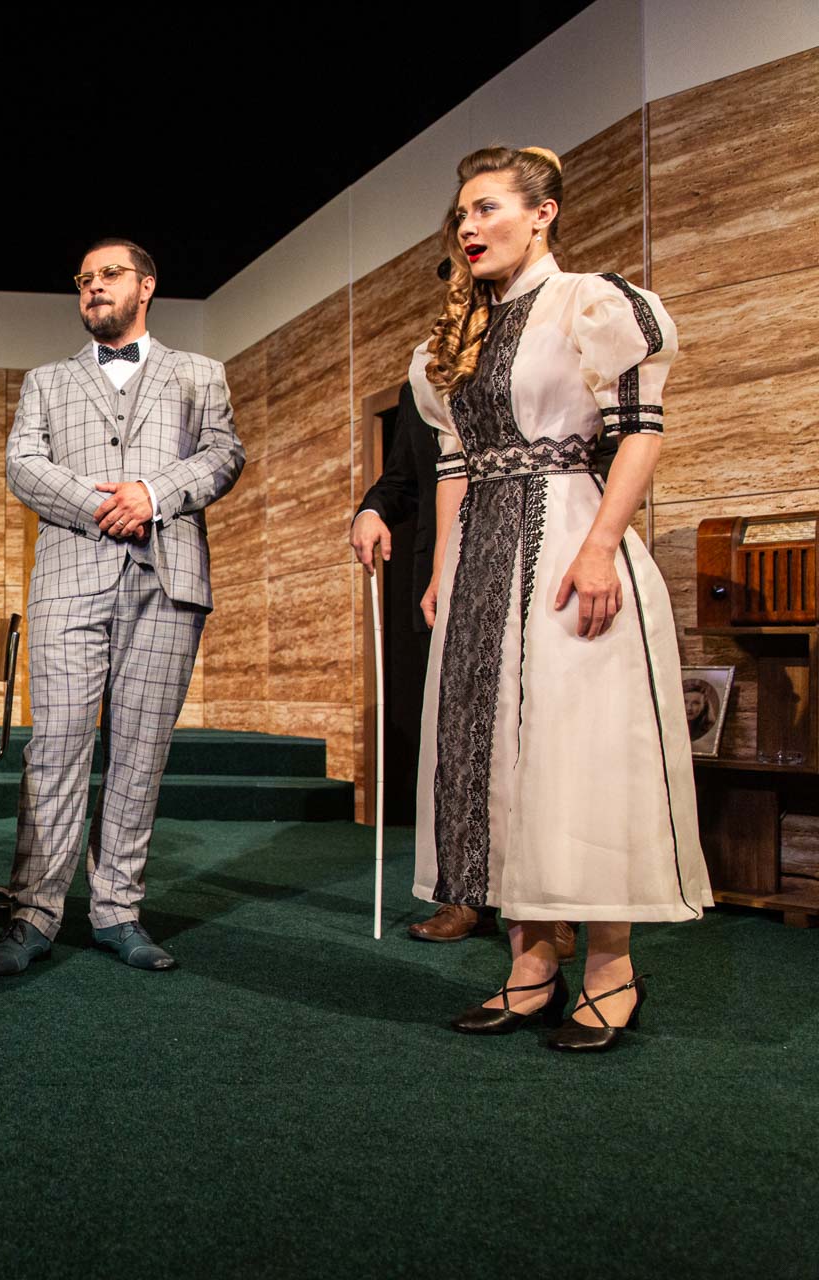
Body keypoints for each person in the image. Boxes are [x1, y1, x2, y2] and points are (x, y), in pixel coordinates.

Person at [411, 145, 712, 1052]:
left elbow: (640, 435)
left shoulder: (591, 302)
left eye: (488, 208)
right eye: (461, 214)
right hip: (481, 561)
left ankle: (612, 972)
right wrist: (443, 569)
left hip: (570, 540)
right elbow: (455, 467)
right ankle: (531, 967)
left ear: (542, 213)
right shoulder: (454, 341)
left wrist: (600, 548)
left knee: (580, 752)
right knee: (501, 759)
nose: (469, 227)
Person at [0, 237, 245, 976]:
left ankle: (118, 910)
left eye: (109, 274)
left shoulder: (199, 373)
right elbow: (22, 465)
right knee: (56, 746)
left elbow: (224, 455)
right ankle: (32, 913)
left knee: (140, 751)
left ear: (146, 286)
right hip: (70, 580)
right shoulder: (46, 381)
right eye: (84, 278)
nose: (92, 286)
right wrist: (105, 506)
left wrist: (152, 495)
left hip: (168, 580)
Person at [351, 389, 578, 958]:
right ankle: (464, 894)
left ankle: (549, 903)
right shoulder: (425, 376)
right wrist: (372, 510)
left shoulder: (535, 354)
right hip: (450, 572)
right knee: (458, 737)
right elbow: (406, 475)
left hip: (539, 553)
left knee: (537, 732)